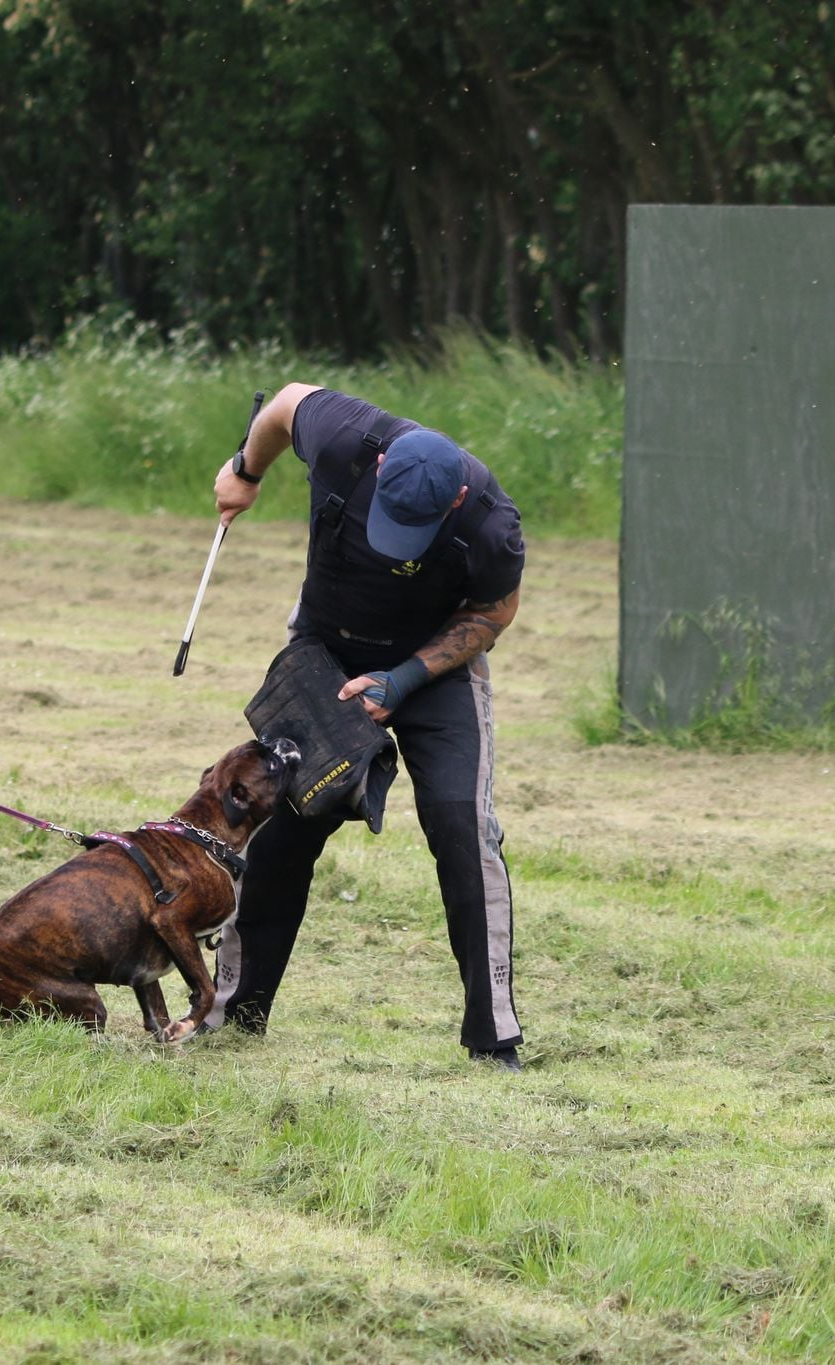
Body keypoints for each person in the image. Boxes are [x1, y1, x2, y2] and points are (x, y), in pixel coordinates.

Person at [207, 384, 526, 1069]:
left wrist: (403, 679)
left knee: (460, 823)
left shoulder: (492, 523)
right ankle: (234, 1014)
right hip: (326, 650)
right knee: (280, 825)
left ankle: (493, 1039)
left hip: (432, 666)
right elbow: (285, 402)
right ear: (378, 470)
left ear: (455, 504)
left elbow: (494, 612)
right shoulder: (347, 435)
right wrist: (245, 469)